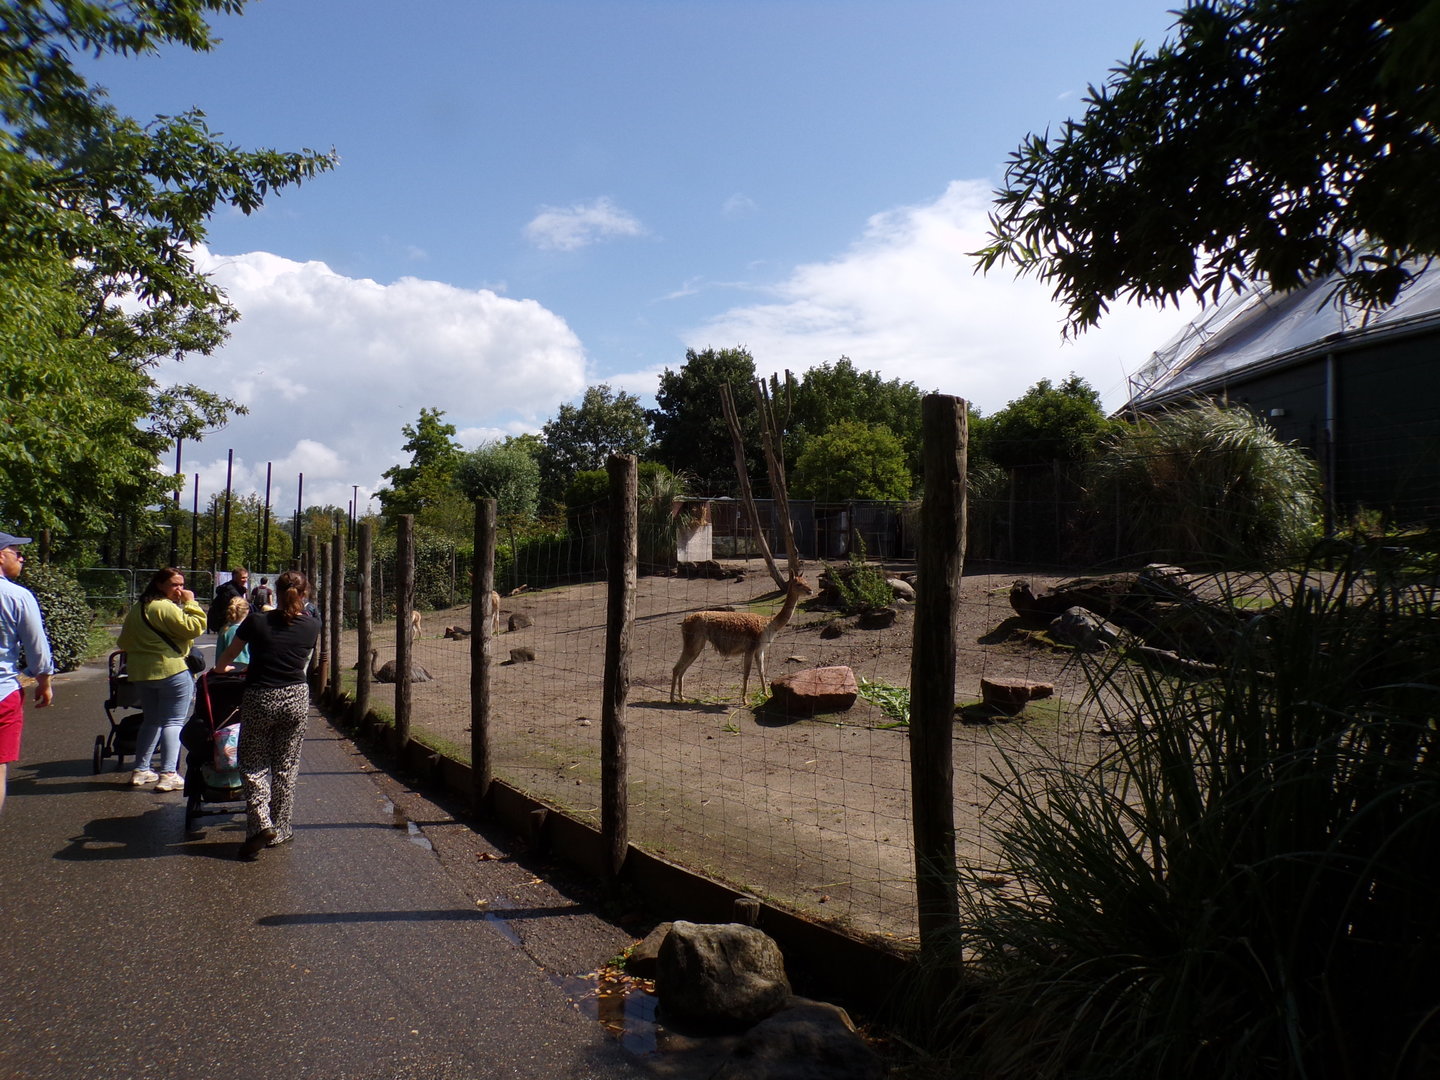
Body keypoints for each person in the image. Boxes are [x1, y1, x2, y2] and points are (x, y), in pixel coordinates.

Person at [215, 569, 321, 860]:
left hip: (261, 697)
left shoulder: (256, 621)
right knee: (286, 765)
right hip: (296, 697)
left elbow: (228, 658)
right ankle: (281, 828)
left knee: (253, 764)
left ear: (274, 590)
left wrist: (223, 669)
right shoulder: (312, 625)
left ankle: (261, 823)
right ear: (305, 594)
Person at [116, 567, 207, 791]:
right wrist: (192, 603)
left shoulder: (138, 608)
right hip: (172, 670)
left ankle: (141, 770)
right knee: (173, 722)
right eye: (174, 585)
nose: (180, 590)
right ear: (159, 585)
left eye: (182, 585)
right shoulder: (164, 607)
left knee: (151, 720)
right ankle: (168, 774)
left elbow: (123, 642)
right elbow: (194, 628)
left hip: (142, 674)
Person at [0, 532, 52, 814]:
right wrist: (44, 681)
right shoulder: (17, 596)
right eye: (16, 552)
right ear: (0, 556)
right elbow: (36, 645)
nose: (22, 558)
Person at [206, 565, 249, 634]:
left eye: (246, 577)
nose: (245, 580)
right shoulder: (231, 591)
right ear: (235, 578)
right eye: (243, 578)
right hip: (226, 623)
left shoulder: (237, 589)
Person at [215, 595, 250, 668]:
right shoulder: (248, 630)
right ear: (247, 611)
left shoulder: (224, 630)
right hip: (244, 668)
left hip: (225, 668)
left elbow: (219, 653)